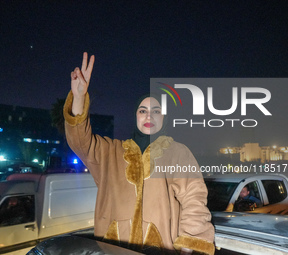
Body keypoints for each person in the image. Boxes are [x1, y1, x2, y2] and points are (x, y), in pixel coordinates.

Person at [63, 52, 215, 255]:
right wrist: (79, 97)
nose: (149, 115)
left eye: (156, 110)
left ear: (164, 117)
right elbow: (80, 142)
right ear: (135, 116)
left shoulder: (177, 152)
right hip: (112, 249)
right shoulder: (110, 151)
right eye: (143, 110)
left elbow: (194, 199)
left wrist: (188, 245)